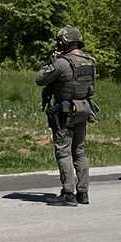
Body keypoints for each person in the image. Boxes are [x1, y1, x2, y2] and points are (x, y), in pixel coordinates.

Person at [35, 26, 97, 205]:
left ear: (64, 42)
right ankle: (83, 192)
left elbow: (40, 78)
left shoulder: (62, 63)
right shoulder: (90, 61)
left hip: (65, 112)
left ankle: (68, 193)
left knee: (63, 152)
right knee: (80, 151)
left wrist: (51, 62)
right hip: (84, 109)